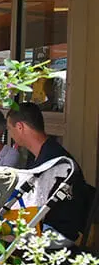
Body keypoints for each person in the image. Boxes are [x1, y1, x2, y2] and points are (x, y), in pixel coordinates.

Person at [7, 102, 93, 244]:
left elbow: (34, 203)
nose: (10, 133)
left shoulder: (53, 161)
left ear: (20, 127)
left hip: (57, 232)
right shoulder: (40, 153)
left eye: (10, 129)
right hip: (45, 222)